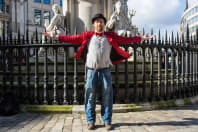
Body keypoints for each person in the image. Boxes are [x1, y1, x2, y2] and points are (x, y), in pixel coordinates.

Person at [43, 13, 154, 130]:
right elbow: (72, 39)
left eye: (101, 21)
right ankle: (90, 121)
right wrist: (55, 36)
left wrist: (141, 38)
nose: (99, 23)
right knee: (90, 97)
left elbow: (125, 39)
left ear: (104, 24)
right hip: (91, 71)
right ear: (93, 24)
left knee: (108, 96)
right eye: (97, 21)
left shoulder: (111, 35)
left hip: (105, 70)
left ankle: (107, 120)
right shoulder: (87, 35)